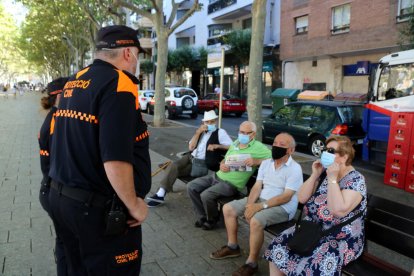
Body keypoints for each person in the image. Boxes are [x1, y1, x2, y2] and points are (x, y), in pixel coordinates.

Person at [48, 25, 151, 275]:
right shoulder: (120, 84)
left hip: (62, 199)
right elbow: (115, 158)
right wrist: (134, 204)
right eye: (138, 54)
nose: (137, 62)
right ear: (128, 52)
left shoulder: (76, 80)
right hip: (97, 212)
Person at [264, 135, 367, 276]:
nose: (325, 153)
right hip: (313, 228)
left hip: (339, 237)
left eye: (331, 151)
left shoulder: (356, 180)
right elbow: (301, 198)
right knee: (278, 245)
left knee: (314, 262)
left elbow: (338, 210)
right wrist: (314, 175)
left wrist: (332, 179)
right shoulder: (325, 173)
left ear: (344, 157)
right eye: (325, 149)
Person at [209, 133, 303, 276]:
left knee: (256, 220)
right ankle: (232, 246)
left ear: (291, 150)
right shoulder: (266, 163)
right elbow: (257, 186)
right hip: (261, 199)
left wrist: (259, 207)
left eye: (282, 145)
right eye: (275, 143)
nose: (276, 146)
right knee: (228, 209)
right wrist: (250, 205)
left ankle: (251, 263)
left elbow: (286, 197)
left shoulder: (295, 168)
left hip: (283, 207)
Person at [187, 121, 272, 230]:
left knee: (206, 195)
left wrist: (257, 161)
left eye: (247, 133)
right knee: (191, 186)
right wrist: (222, 164)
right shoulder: (236, 142)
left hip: (231, 184)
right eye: (241, 132)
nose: (243, 135)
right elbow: (225, 159)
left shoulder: (258, 147)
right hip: (217, 176)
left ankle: (212, 219)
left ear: (253, 134)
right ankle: (203, 216)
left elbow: (275, 158)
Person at [146, 110, 232, 207]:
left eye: (212, 122)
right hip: (190, 157)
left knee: (173, 168)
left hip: (200, 164)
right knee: (174, 165)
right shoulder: (201, 131)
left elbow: (232, 147)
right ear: (203, 123)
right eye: (207, 122)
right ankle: (161, 194)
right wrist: (198, 132)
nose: (209, 124)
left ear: (216, 121)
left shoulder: (220, 132)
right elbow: (191, 147)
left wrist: (217, 146)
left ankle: (161, 193)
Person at [38, 77, 69, 276]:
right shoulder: (57, 121)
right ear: (60, 95)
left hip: (50, 189)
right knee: (67, 244)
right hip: (54, 191)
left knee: (64, 241)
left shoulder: (55, 117)